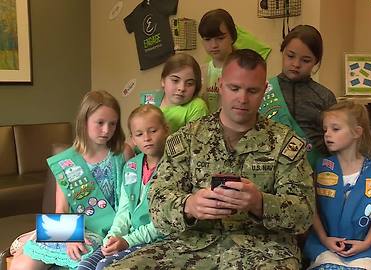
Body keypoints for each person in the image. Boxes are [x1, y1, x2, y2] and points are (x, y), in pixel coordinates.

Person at [105, 49, 315, 269]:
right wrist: (189, 205)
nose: (242, 99)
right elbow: (157, 203)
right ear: (221, 86)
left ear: (263, 91)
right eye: (234, 88)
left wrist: (260, 203)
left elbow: (304, 214)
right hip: (191, 247)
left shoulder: (284, 144)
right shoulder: (187, 139)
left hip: (264, 251)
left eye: (252, 90)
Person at [10, 90, 130, 270]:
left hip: (104, 231)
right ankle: (33, 238)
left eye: (112, 124)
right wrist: (69, 237)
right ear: (84, 122)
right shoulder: (66, 161)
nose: (106, 130)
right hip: (73, 226)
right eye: (100, 123)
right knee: (23, 264)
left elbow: (130, 198)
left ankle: (35, 235)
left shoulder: (122, 153)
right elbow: (61, 208)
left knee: (79, 258)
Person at [77, 104, 169, 270]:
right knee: (84, 265)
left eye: (153, 131)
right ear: (133, 139)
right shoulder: (132, 166)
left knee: (105, 266)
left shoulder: (174, 168)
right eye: (139, 134)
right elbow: (124, 209)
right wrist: (113, 236)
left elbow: (165, 222)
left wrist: (126, 240)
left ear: (166, 130)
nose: (147, 138)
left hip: (153, 240)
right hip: (116, 236)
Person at [303, 101, 371, 269]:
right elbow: (311, 208)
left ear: (357, 132)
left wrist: (365, 244)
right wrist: (324, 239)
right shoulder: (322, 167)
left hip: (366, 248)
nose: (327, 134)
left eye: (335, 129)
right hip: (326, 245)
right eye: (325, 129)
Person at [259, 24, 337, 166]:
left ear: (316, 62)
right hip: (269, 172)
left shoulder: (324, 97)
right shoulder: (263, 89)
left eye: (305, 60)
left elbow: (336, 142)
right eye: (290, 56)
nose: (296, 64)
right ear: (282, 51)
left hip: (314, 174)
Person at [198, 8, 271, 113]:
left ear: (232, 36)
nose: (214, 45)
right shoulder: (199, 72)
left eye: (220, 38)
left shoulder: (246, 70)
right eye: (207, 39)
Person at [140, 53, 208, 133]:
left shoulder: (197, 107)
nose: (181, 88)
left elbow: (194, 143)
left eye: (189, 84)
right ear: (163, 81)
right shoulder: (149, 98)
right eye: (175, 80)